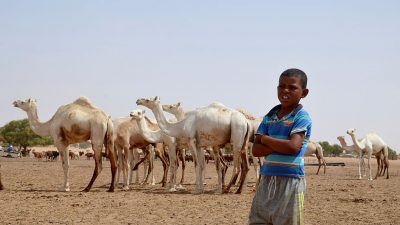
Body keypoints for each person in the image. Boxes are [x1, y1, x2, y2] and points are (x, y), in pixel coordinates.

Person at [248, 68, 312, 225]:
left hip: (291, 181)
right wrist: (282, 144)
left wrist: (266, 139)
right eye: (281, 86)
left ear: (304, 93)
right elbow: (256, 151)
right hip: (267, 180)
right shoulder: (269, 117)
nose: (285, 90)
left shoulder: (301, 117)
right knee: (259, 220)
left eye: (292, 87)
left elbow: (293, 147)